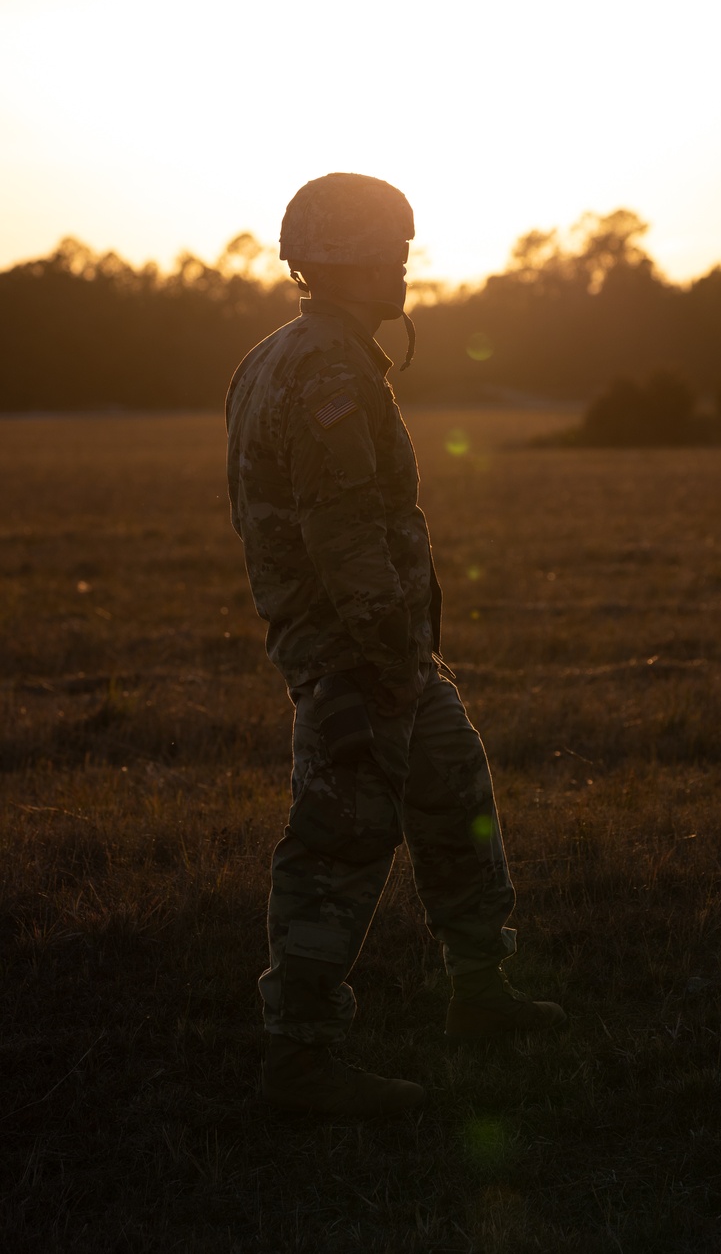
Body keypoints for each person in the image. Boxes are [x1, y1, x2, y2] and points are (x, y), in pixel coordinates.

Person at [225, 173, 565, 1119]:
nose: (404, 264)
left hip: (388, 655)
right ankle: (303, 1058)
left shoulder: (282, 356)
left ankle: (481, 995)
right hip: (357, 656)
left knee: (457, 798)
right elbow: (341, 533)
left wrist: (412, 662)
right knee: (338, 843)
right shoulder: (328, 370)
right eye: (389, 248)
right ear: (339, 257)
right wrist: (384, 655)